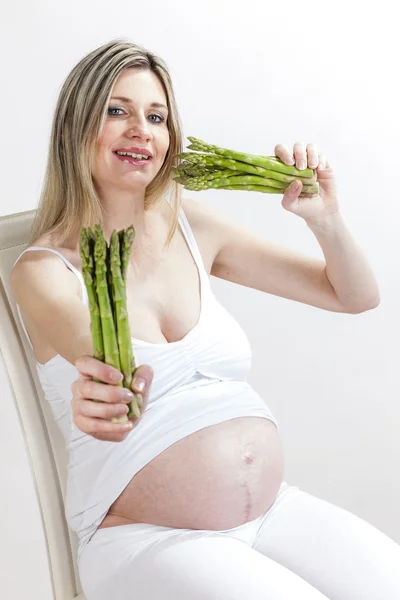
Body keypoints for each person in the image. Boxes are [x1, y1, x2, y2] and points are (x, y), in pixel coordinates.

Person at [10, 38, 399, 600]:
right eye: (116, 110)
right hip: (146, 538)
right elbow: (94, 355)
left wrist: (326, 220)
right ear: (76, 127)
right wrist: (102, 392)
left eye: (157, 116)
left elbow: (354, 295)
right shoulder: (46, 270)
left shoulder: (189, 224)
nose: (141, 129)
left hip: (271, 511)